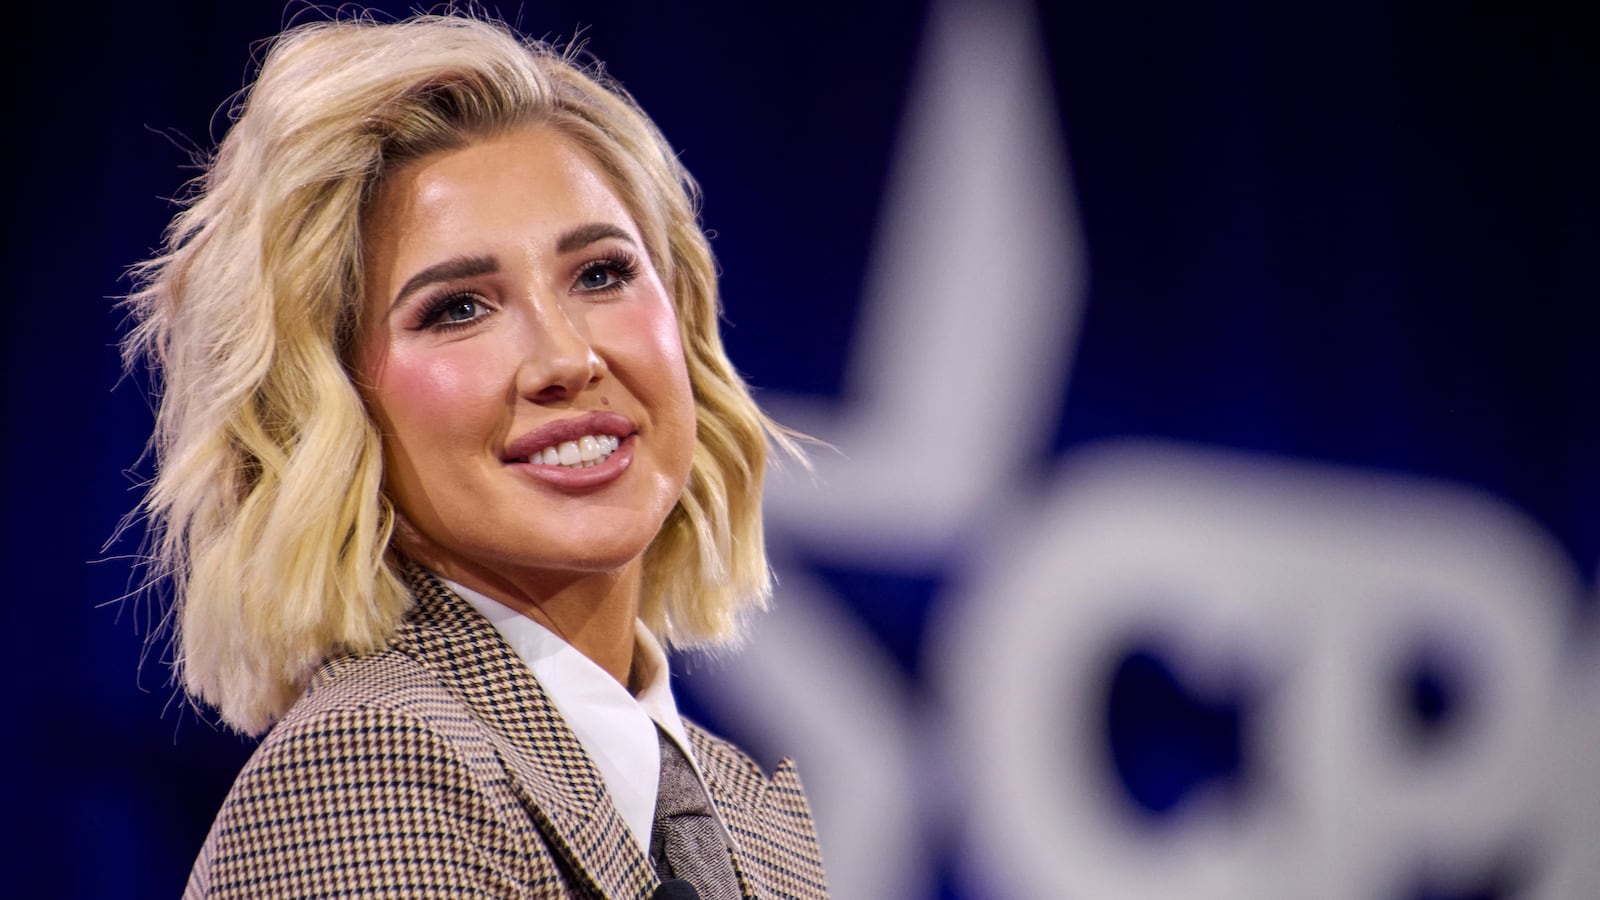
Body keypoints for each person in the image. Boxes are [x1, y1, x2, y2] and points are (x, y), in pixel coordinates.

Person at [123, 11, 828, 899]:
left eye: (602, 273)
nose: (567, 358)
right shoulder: (372, 778)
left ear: (683, 315)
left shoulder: (738, 809)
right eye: (458, 308)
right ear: (330, 408)